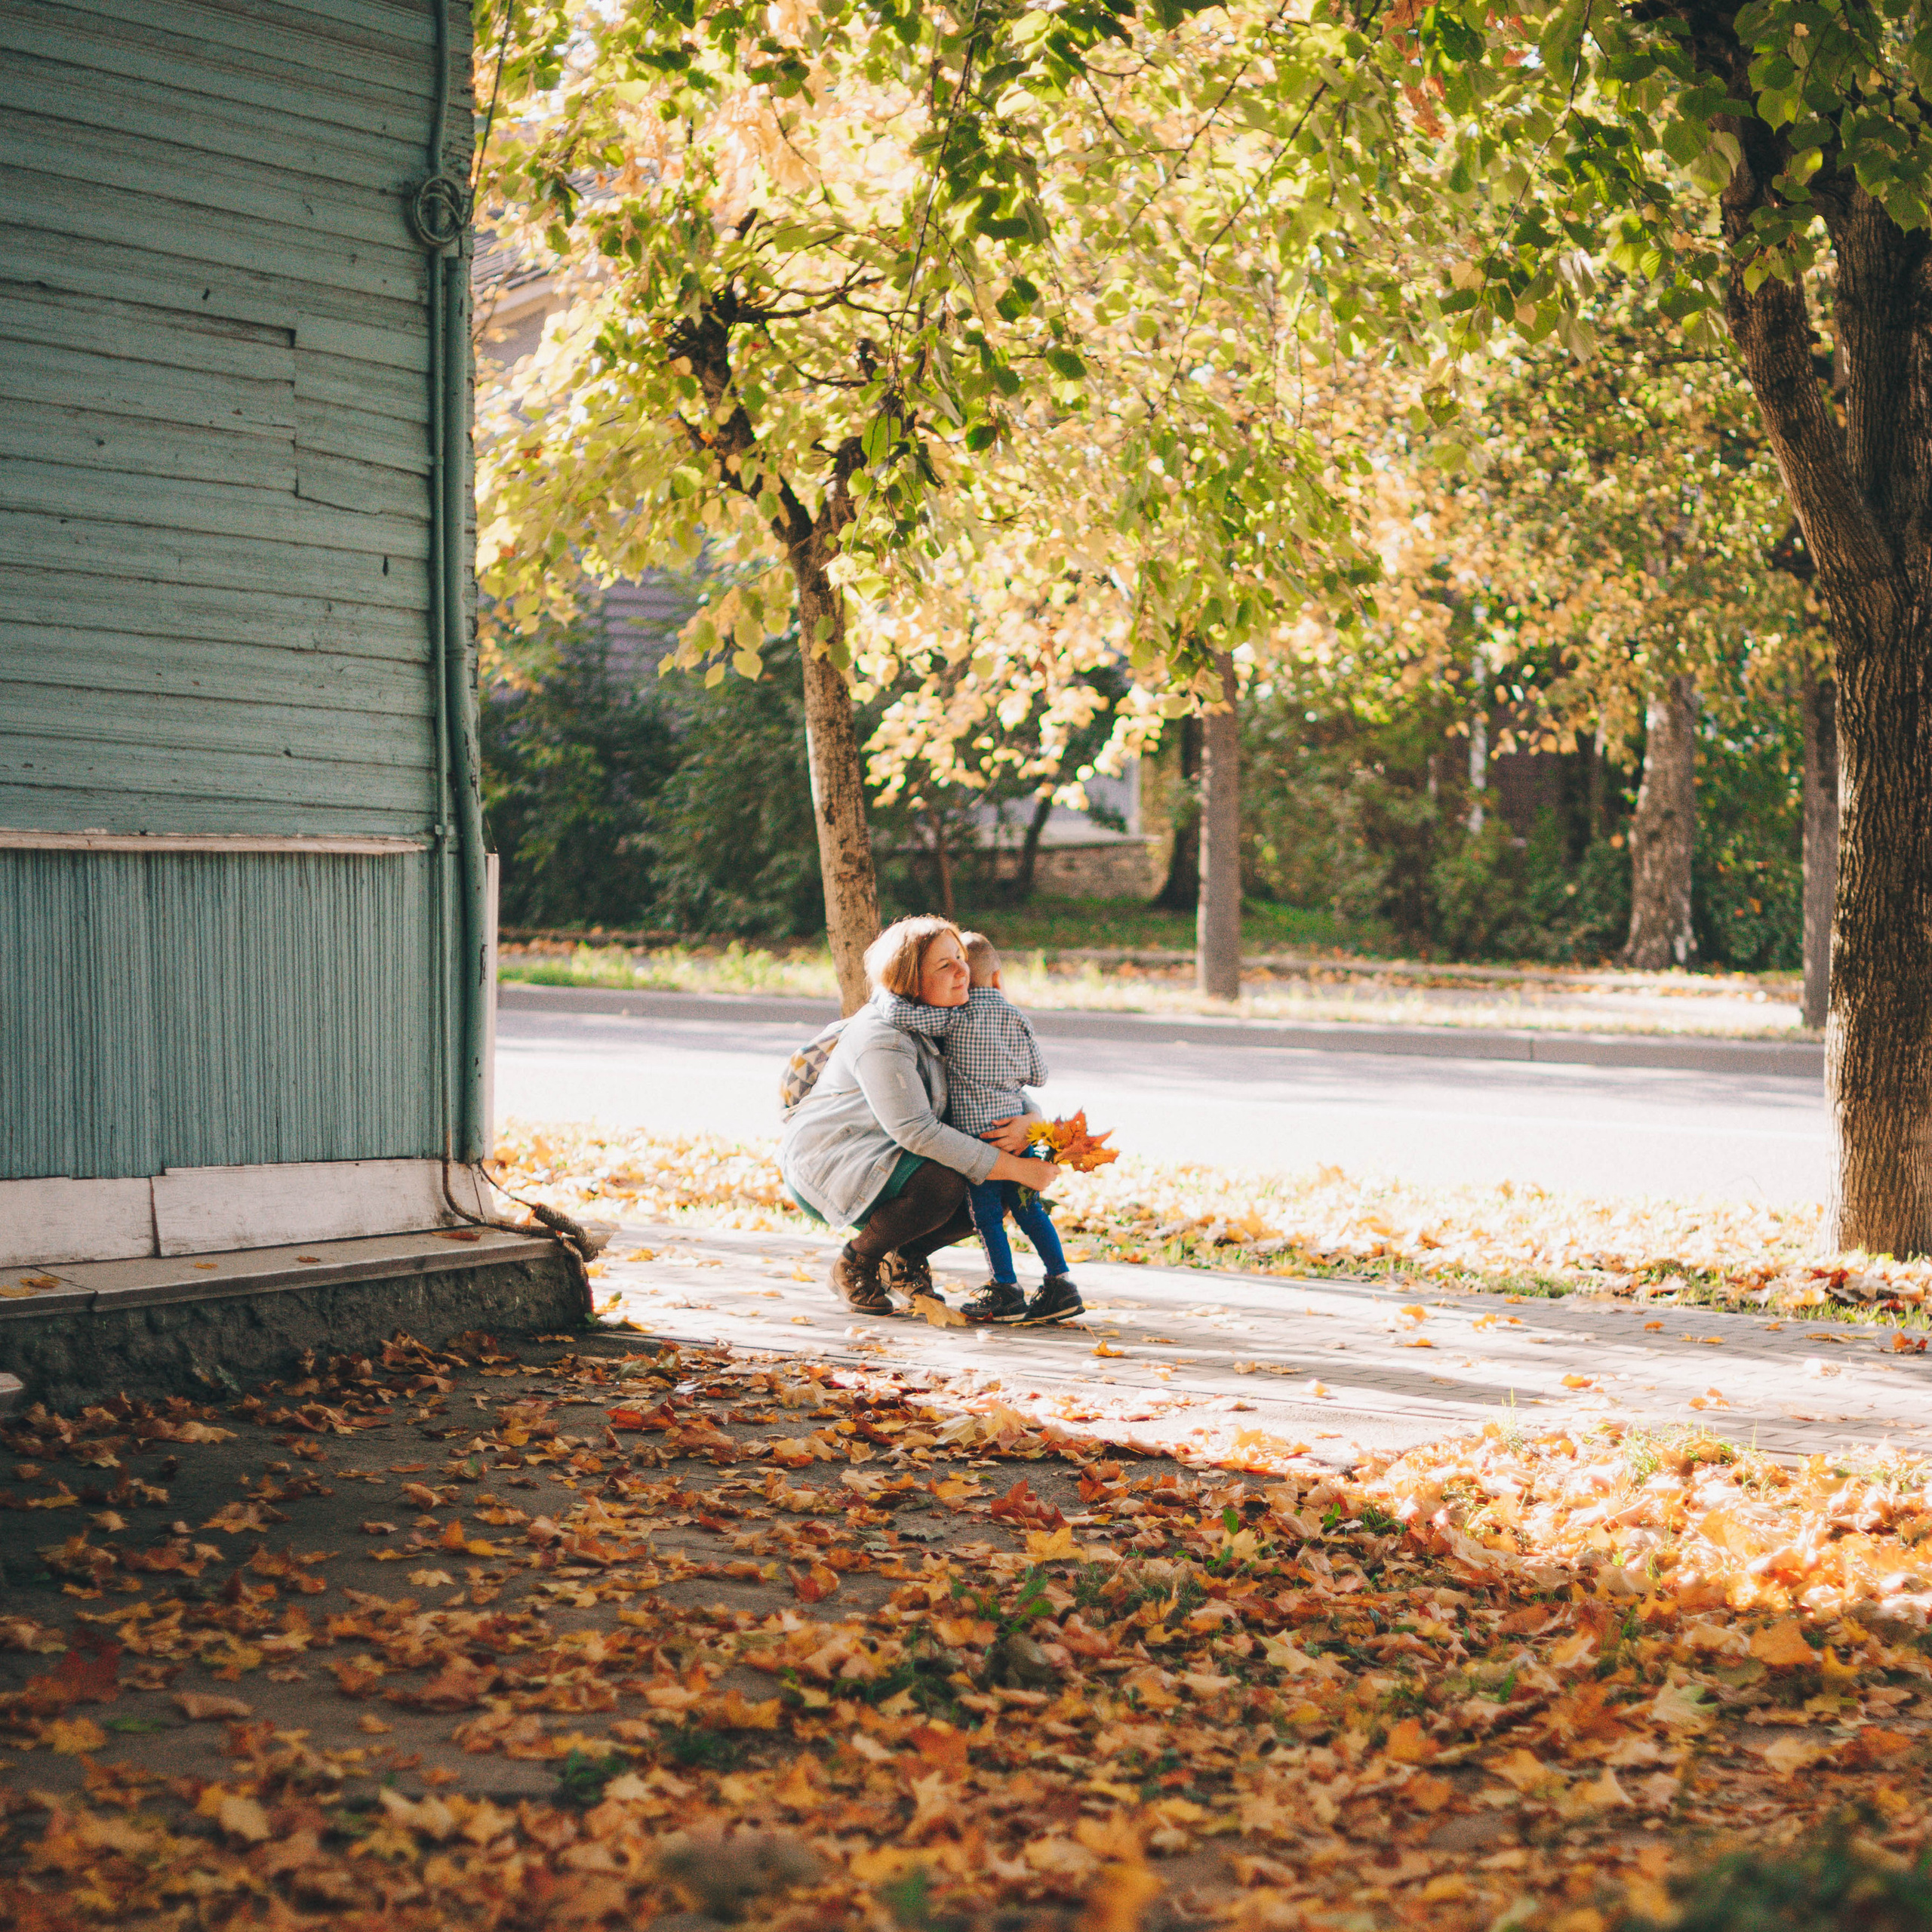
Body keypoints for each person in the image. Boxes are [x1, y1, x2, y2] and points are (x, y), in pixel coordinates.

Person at [777, 916, 1061, 1319]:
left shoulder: (953, 1018)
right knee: (948, 1183)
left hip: (892, 1154)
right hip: (835, 1159)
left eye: (960, 957)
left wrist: (1029, 1122)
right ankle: (856, 1262)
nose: (963, 970)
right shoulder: (882, 1036)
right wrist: (1015, 1167)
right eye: (945, 965)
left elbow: (1005, 1087)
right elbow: (916, 1131)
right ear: (911, 980)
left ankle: (903, 1257)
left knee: (995, 1190)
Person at [879, 932, 1084, 1325]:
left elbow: (899, 1014)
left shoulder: (955, 1017)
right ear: (997, 978)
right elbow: (1038, 1075)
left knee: (987, 1217)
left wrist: (887, 990)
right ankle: (1061, 1284)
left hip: (982, 1144)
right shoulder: (1018, 1018)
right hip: (1018, 1134)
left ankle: (1005, 1289)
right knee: (1031, 1211)